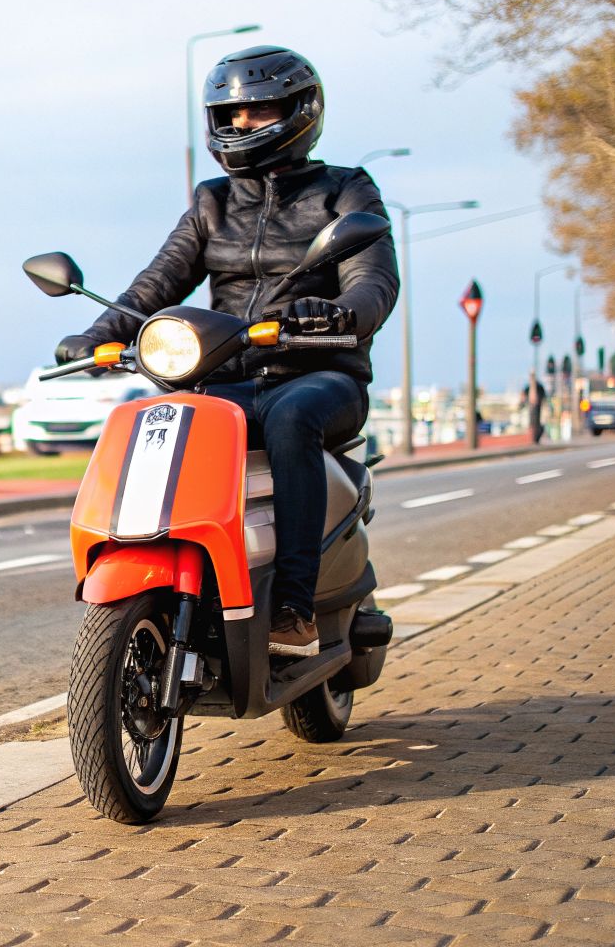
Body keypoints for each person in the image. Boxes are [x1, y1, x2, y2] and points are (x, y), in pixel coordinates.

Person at [55, 45, 399, 657]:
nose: (241, 125)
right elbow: (156, 283)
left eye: (258, 110)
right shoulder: (212, 202)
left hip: (319, 374)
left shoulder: (344, 190)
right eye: (230, 114)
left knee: (291, 418)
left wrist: (338, 314)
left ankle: (293, 606)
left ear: (300, 110)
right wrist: (102, 331)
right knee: (158, 419)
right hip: (227, 372)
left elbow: (373, 280)